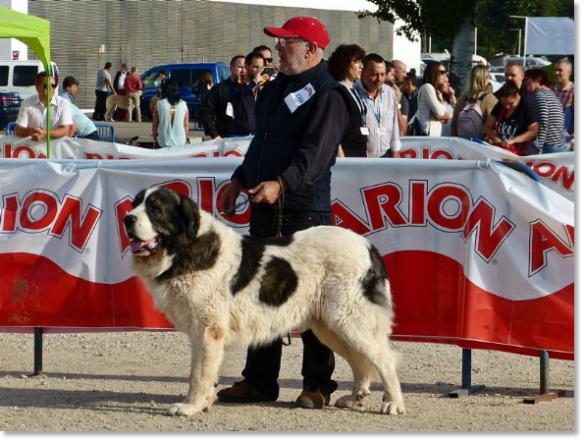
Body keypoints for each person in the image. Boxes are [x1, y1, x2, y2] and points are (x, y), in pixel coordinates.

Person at [218, 16, 350, 409]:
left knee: (311, 303)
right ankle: (259, 381)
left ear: (310, 49)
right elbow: (261, 144)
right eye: (277, 42)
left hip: (302, 212)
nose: (277, 48)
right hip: (265, 206)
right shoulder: (275, 88)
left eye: (285, 42)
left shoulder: (329, 94)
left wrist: (283, 183)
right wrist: (240, 178)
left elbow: (316, 156)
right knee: (261, 296)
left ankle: (318, 385)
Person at [354, 53, 401, 158]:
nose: (379, 79)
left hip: (385, 157)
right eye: (374, 74)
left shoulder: (389, 92)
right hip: (360, 160)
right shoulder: (353, 92)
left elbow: (394, 128)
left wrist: (394, 158)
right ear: (363, 73)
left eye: (383, 74)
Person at [327, 44, 367, 157]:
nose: (361, 66)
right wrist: (342, 160)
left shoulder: (353, 89)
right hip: (347, 160)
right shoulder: (337, 93)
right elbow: (334, 132)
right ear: (344, 64)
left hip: (359, 157)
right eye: (357, 62)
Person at [484, 81, 539, 156]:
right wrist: (495, 138)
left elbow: (533, 132)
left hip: (524, 154)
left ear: (516, 95)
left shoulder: (526, 105)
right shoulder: (500, 105)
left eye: (510, 103)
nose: (507, 106)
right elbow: (488, 126)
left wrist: (513, 140)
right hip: (504, 152)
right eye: (504, 103)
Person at [15, 71, 72, 141]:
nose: (51, 88)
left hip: (56, 149)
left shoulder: (64, 103)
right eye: (46, 85)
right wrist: (32, 131)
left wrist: (45, 133)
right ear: (37, 87)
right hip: (35, 149)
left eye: (53, 85)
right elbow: (19, 130)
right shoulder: (27, 103)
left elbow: (65, 130)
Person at [199, 55, 246, 139]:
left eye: (245, 67)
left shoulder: (251, 88)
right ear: (231, 68)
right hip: (225, 139)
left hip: (247, 139)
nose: (243, 70)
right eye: (240, 67)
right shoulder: (219, 89)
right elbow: (205, 111)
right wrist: (214, 134)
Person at [524, 68, 566, 154]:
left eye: (527, 79)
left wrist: (540, 147)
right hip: (558, 145)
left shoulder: (540, 95)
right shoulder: (551, 94)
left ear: (538, 78)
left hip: (548, 146)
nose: (524, 82)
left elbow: (542, 122)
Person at [451, 65, 498, 139]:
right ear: (485, 79)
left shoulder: (462, 99)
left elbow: (454, 126)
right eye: (488, 77)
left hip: (462, 144)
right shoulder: (489, 99)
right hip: (481, 147)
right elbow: (495, 126)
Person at [225, 51, 265, 136]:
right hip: (242, 134)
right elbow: (240, 95)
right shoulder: (235, 86)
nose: (259, 71)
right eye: (256, 67)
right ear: (246, 67)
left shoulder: (263, 85)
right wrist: (254, 82)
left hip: (260, 132)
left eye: (261, 68)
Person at [411, 61, 450, 136]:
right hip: (425, 133)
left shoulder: (437, 92)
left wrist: (444, 115)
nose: (445, 75)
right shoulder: (427, 87)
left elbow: (442, 113)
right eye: (442, 72)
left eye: (445, 72)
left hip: (433, 135)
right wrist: (448, 116)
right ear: (433, 73)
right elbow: (440, 113)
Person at [152, 78, 189, 148]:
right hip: (181, 142)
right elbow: (186, 125)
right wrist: (185, 139)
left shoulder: (159, 104)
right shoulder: (184, 104)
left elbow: (155, 124)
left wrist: (154, 140)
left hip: (163, 141)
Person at [388, 60, 409, 135]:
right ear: (395, 71)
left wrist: (396, 104)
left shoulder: (401, 98)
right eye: (403, 72)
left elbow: (402, 131)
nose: (405, 75)